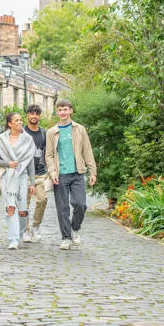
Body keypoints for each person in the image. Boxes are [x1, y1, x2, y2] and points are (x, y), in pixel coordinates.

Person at [46, 99, 97, 250]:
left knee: (80, 204)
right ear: (57, 112)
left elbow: (87, 150)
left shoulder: (79, 129)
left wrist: (92, 171)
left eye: (65, 109)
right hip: (60, 175)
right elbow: (48, 155)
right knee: (62, 208)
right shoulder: (51, 132)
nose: (63, 112)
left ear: (71, 111)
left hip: (77, 173)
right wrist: (52, 172)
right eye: (60, 110)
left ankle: (75, 228)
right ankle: (66, 238)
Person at [0, 112, 35, 250]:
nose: (20, 122)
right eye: (16, 120)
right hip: (8, 177)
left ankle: (20, 233)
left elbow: (30, 162)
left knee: (22, 210)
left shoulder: (28, 139)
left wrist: (32, 182)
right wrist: (8, 163)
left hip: (22, 176)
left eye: (21, 120)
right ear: (9, 124)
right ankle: (13, 239)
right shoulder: (0, 139)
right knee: (11, 208)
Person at [23, 104, 48, 243]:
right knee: (24, 204)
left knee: (42, 199)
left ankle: (35, 226)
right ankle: (26, 230)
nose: (34, 116)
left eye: (37, 114)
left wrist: (50, 171)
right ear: (27, 115)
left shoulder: (44, 133)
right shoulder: (22, 132)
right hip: (24, 174)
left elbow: (48, 153)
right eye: (32, 113)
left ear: (39, 116)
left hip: (40, 174)